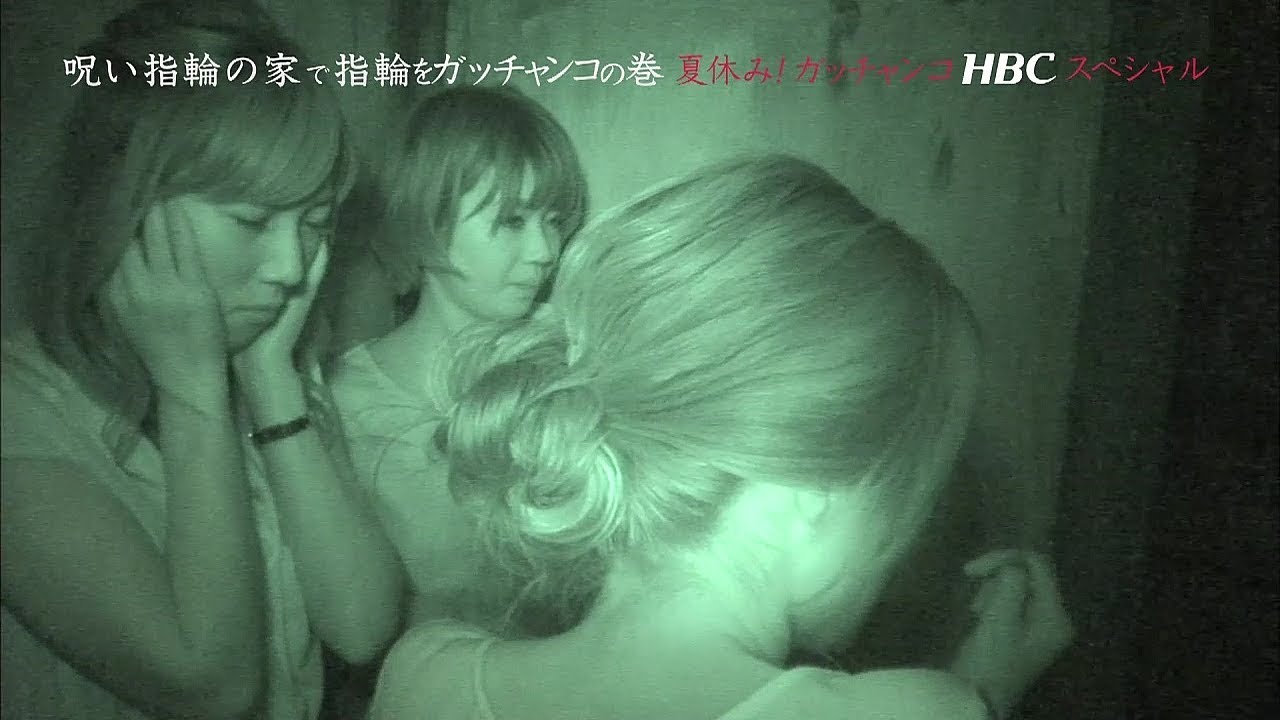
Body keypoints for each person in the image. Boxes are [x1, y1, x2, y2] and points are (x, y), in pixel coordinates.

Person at [367, 155, 1075, 720]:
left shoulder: (424, 675)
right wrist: (984, 693)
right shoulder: (924, 710)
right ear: (809, 492)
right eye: (909, 497)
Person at [0, 3, 404, 718]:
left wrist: (271, 379)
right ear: (127, 206)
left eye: (313, 224)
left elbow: (361, 626)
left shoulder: (272, 372)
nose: (290, 268)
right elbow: (211, 686)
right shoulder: (22, 415)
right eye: (253, 220)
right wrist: (190, 389)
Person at [328, 85, 588, 636]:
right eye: (513, 220)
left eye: (553, 220)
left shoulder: (574, 365)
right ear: (428, 218)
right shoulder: (342, 404)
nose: (545, 251)